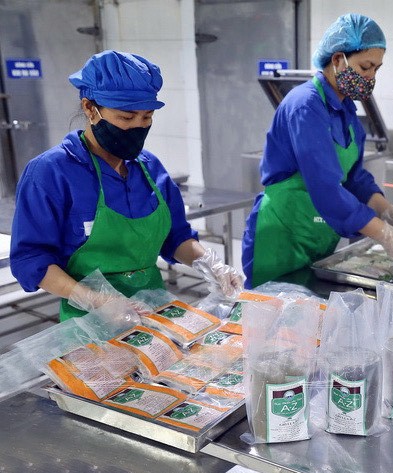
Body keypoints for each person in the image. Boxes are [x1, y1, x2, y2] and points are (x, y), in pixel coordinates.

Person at [10, 50, 243, 321]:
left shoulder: (149, 168)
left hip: (156, 312)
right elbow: (30, 259)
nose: (137, 127)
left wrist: (210, 264)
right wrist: (92, 299)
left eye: (146, 118)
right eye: (126, 117)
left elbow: (176, 237)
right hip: (89, 322)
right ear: (90, 108)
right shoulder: (51, 172)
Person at [241, 13, 393, 289]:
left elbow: (354, 179)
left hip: (317, 234)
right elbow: (326, 187)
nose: (370, 77)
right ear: (338, 60)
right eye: (365, 67)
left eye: (376, 69)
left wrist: (391, 214)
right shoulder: (306, 106)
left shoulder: (346, 111)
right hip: (282, 236)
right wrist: (385, 235)